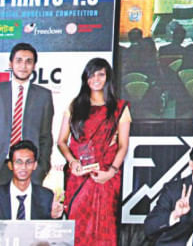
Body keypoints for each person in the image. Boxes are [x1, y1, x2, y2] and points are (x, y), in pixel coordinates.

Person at [57, 58, 130, 246]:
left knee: (105, 229)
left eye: (101, 74)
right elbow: (61, 141)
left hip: (105, 177)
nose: (96, 79)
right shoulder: (75, 106)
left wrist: (111, 171)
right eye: (91, 75)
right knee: (77, 228)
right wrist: (72, 161)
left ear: (108, 77)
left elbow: (123, 145)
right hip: (79, 177)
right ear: (85, 78)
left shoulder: (119, 108)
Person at [0, 42, 54, 189]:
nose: (23, 66)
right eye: (19, 60)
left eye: (28, 61)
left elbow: (45, 136)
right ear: (10, 64)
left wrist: (42, 167)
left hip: (29, 169)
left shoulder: (44, 96)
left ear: (34, 66)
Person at [0, 140, 63, 220]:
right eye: (18, 162)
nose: (23, 167)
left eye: (29, 162)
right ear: (10, 165)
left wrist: (54, 217)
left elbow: (51, 226)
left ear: (35, 165)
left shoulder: (47, 197)